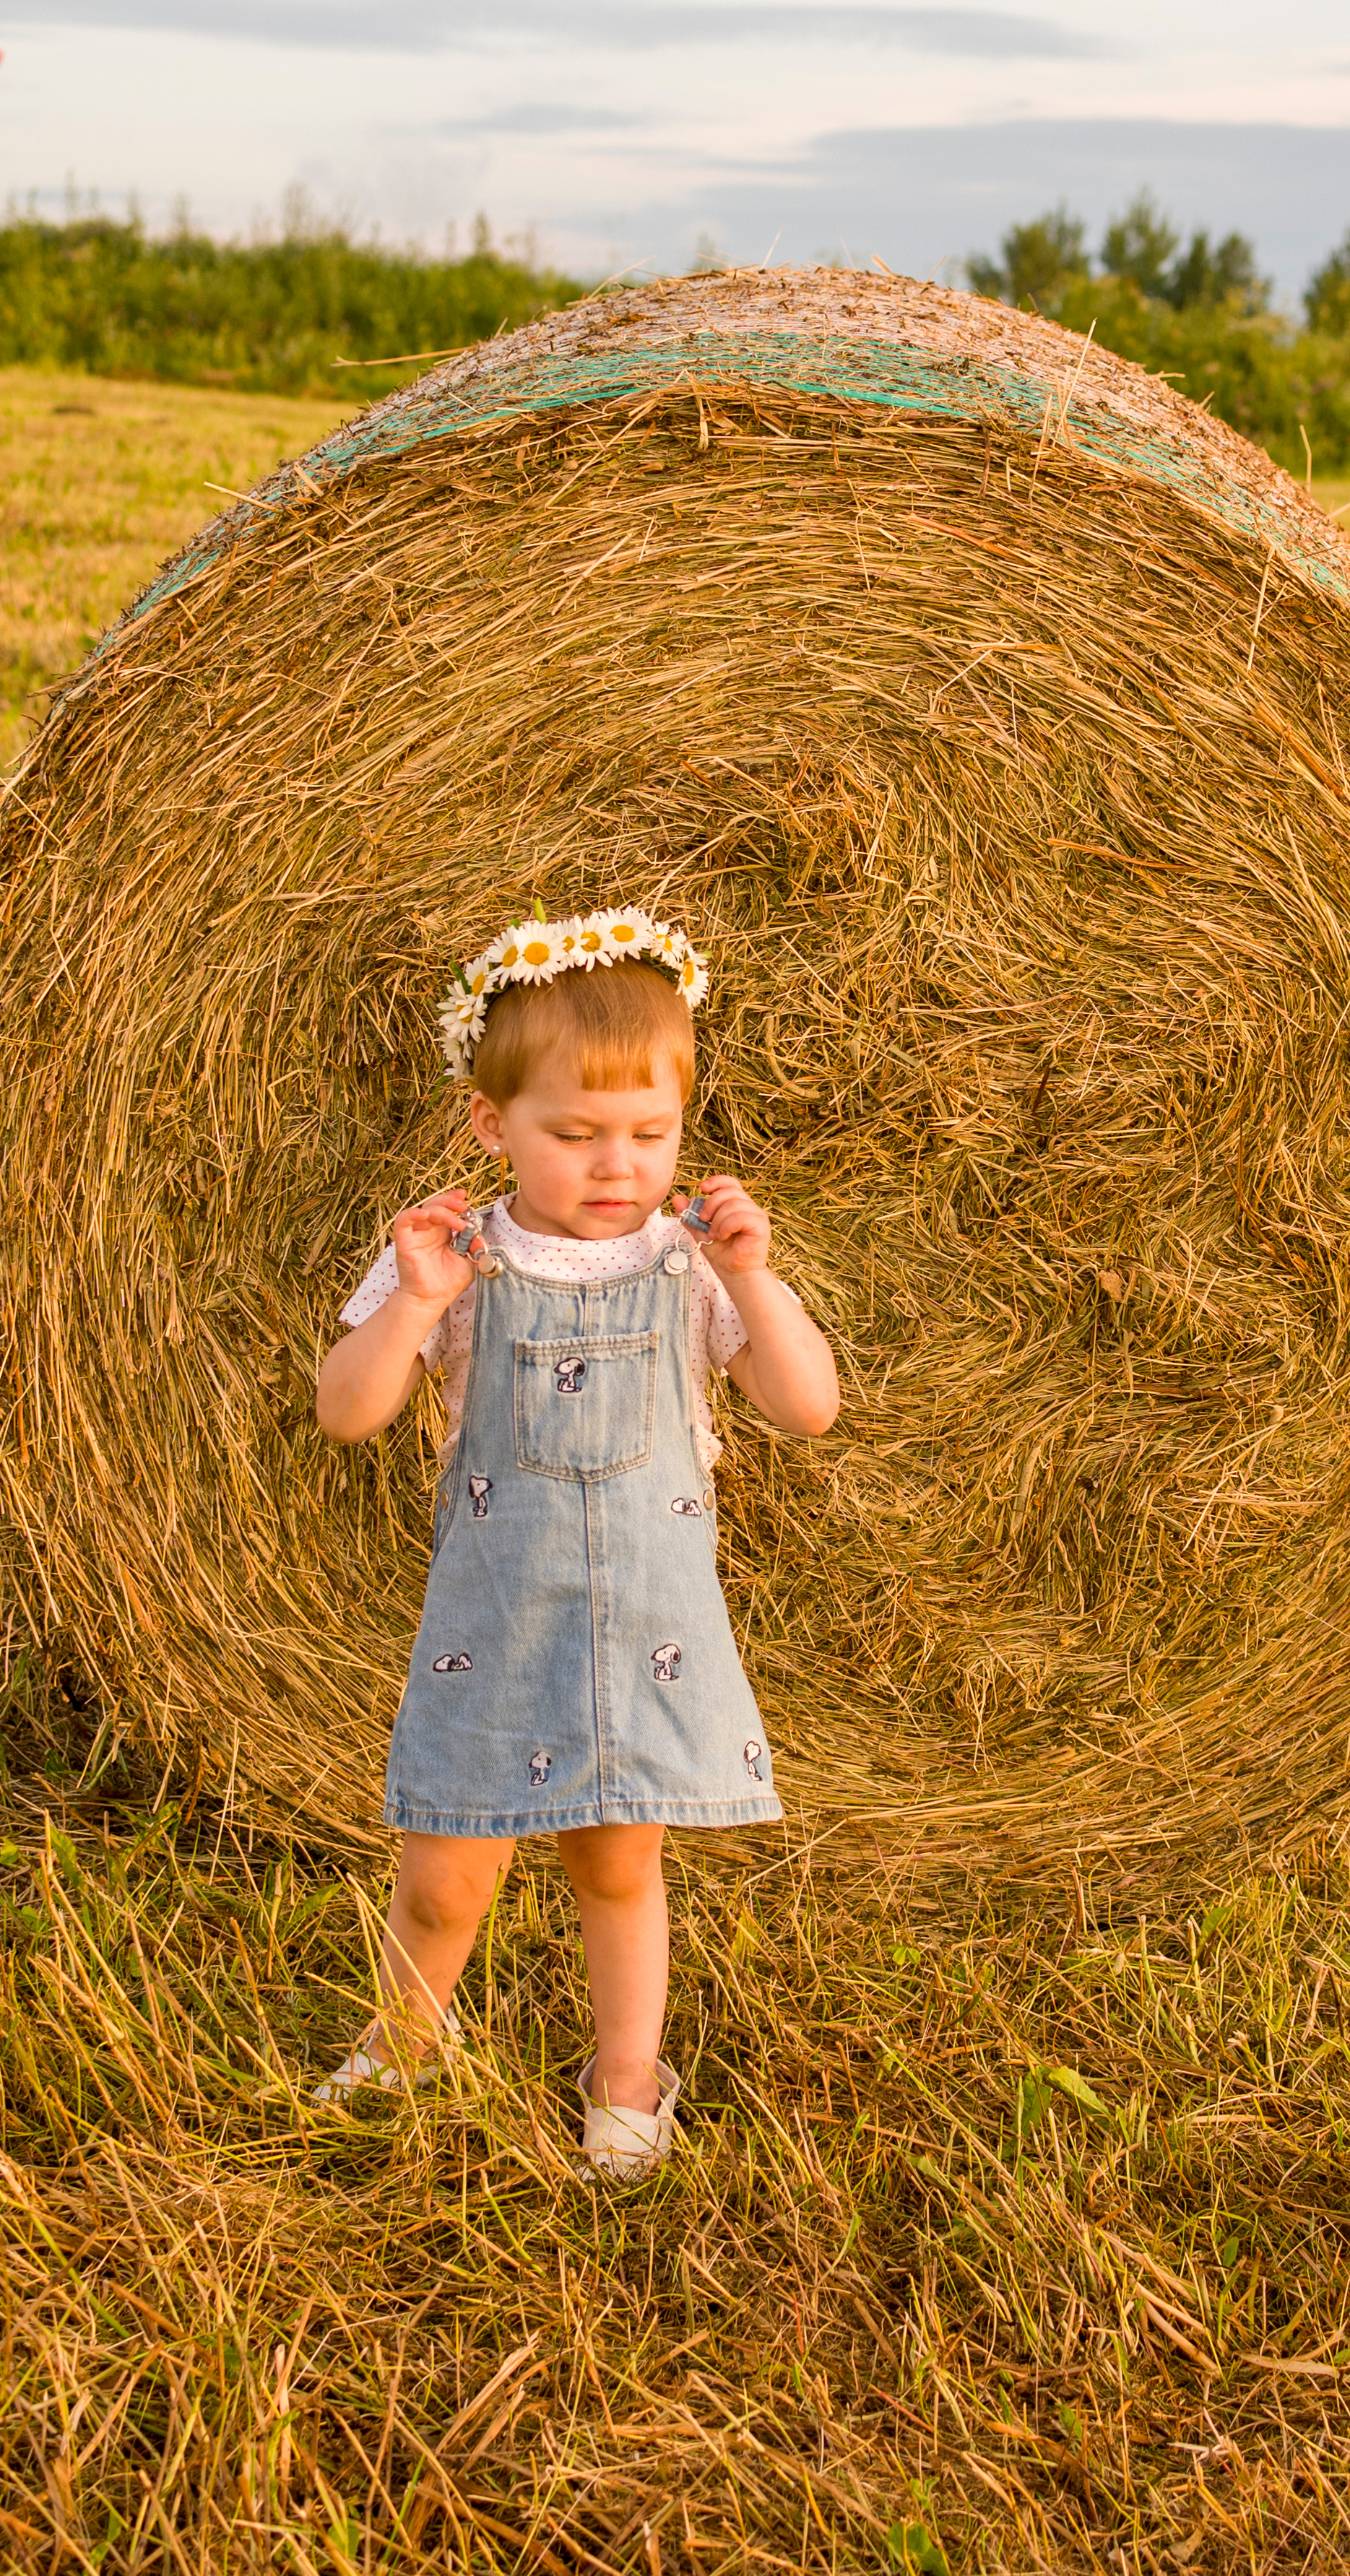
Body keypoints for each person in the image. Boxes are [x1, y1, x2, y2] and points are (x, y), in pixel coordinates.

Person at [311, 901, 839, 2177]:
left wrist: (758, 1278)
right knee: (447, 1877)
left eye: (650, 1135)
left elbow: (808, 1409)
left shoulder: (692, 1260)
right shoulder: (454, 1258)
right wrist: (413, 1308)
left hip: (649, 1630)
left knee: (618, 1863)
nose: (618, 1166)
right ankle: (402, 2044)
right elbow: (347, 1414)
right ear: (493, 1127)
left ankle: (626, 2078)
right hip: (495, 1627)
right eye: (576, 1135)